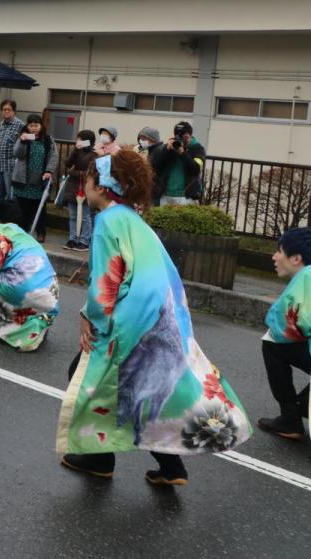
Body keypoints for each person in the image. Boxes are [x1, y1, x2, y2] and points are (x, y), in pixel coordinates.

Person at [57, 148, 251, 485]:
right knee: (149, 386)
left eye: (87, 179)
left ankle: (99, 458)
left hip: (132, 319)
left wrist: (91, 318)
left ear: (101, 186)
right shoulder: (133, 219)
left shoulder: (107, 221)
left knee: (92, 375)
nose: (83, 186)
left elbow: (107, 282)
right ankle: (171, 468)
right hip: (161, 317)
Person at [0, 200, 59, 351]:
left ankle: (1, 324)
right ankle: (36, 324)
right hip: (51, 293)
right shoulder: (26, 236)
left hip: (25, 290)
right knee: (12, 278)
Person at [255, 227, 311, 440]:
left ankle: (291, 417)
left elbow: (282, 325)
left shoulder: (306, 277)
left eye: (279, 251)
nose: (274, 257)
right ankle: (300, 407)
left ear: (296, 258)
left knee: (272, 344)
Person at [10, 114, 57, 242]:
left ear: (41, 126)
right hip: (23, 178)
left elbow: (53, 157)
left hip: (40, 178)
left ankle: (40, 232)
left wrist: (49, 171)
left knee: (40, 207)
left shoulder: (48, 139)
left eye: (36, 125)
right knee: (22, 207)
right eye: (31, 125)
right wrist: (22, 141)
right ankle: (22, 232)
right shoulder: (23, 138)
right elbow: (17, 154)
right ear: (27, 126)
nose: (34, 128)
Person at [60, 129, 97, 251]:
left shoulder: (94, 155)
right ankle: (73, 238)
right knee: (73, 215)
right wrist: (75, 150)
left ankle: (84, 240)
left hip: (86, 188)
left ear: (88, 141)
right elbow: (67, 163)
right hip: (72, 187)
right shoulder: (77, 152)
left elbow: (90, 173)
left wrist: (73, 172)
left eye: (81, 139)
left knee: (86, 216)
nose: (78, 141)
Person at [153, 121, 205, 206]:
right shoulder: (170, 147)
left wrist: (182, 153)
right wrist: (166, 150)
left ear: (190, 136)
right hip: (166, 195)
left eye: (185, 136)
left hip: (186, 196)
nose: (181, 139)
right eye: (178, 135)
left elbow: (195, 169)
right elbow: (156, 166)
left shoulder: (197, 149)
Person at [0, 99, 24, 202]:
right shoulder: (0, 125)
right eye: (4, 109)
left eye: (9, 110)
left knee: (11, 194)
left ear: (14, 111)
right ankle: (0, 216)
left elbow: (26, 143)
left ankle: (11, 217)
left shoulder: (20, 125)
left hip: (11, 165)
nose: (6, 112)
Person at [135, 127, 165, 205]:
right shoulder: (151, 150)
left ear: (153, 139)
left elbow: (153, 170)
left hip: (155, 193)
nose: (141, 141)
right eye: (140, 138)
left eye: (144, 138)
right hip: (151, 191)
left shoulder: (158, 151)